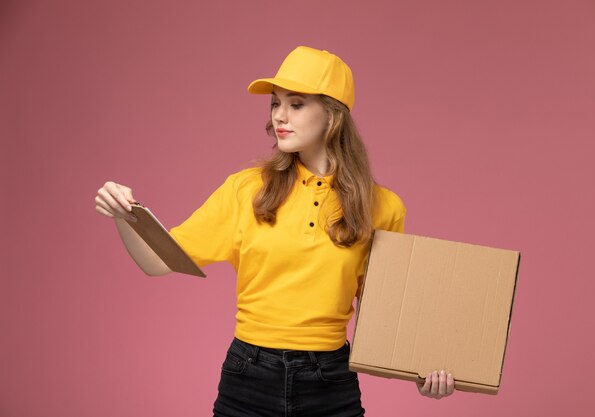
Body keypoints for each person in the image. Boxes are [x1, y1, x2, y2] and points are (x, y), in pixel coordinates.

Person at [95, 46, 454, 416]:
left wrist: (421, 373)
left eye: (296, 104)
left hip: (330, 381)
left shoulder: (383, 208)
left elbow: (386, 317)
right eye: (275, 103)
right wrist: (126, 216)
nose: (280, 116)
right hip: (247, 376)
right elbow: (157, 261)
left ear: (332, 116)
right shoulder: (246, 189)